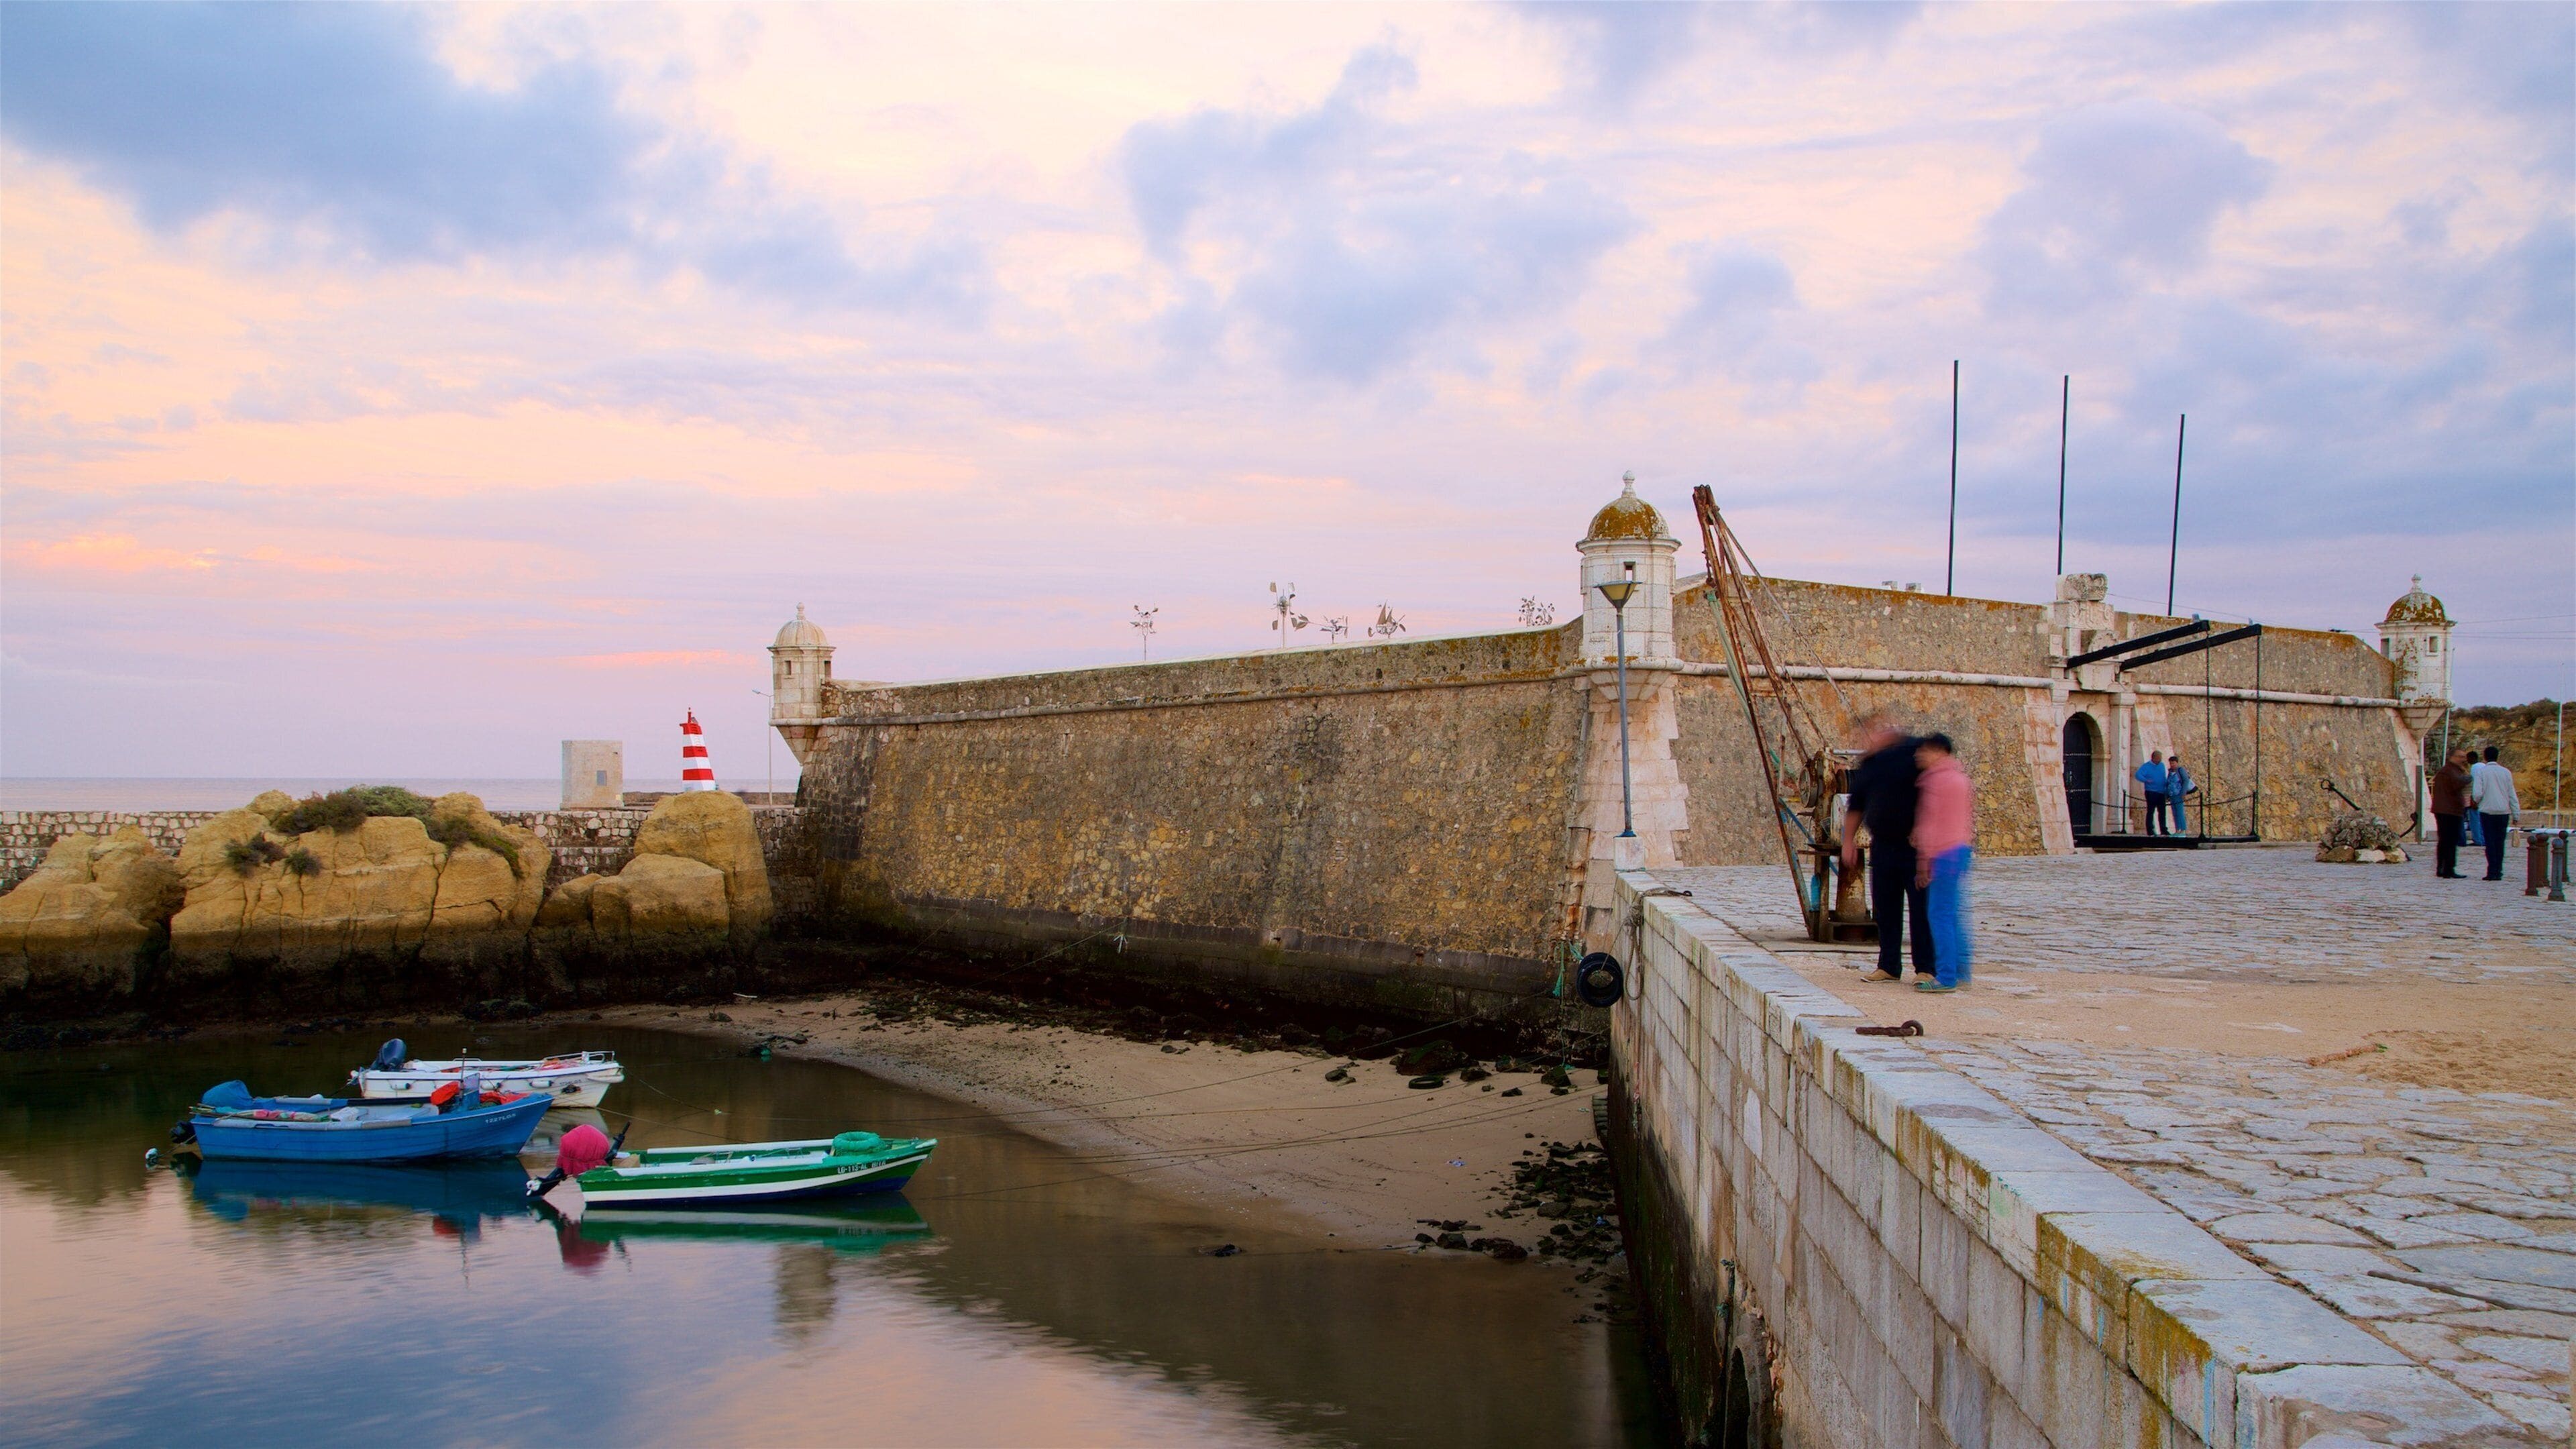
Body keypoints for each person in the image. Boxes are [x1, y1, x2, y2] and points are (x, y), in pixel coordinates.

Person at [1841, 714, 1936, 983]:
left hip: (1914, 847)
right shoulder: (1870, 765)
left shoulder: (1915, 752)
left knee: (1921, 909)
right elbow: (1856, 805)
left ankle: (1925, 968)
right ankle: (1889, 965)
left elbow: (1934, 791)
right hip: (1882, 845)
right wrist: (1848, 842)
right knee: (1885, 909)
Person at [1911, 734, 1974, 994]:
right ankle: (1961, 971)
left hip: (1942, 854)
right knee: (1954, 915)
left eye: (1924, 751)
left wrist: (1923, 864)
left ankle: (1946, 976)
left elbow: (1930, 824)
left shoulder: (1935, 781)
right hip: (1960, 849)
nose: (1919, 755)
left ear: (1938, 751)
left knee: (1939, 916)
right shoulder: (1960, 778)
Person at [2469, 746, 2519, 881]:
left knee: (2490, 842)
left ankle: (2492, 871)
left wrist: (2476, 801)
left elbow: (2477, 793)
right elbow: (2511, 794)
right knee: (2500, 842)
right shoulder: (2506, 772)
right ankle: (2499, 870)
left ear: (2485, 757)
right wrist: (2516, 813)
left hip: (2487, 811)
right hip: (2503, 811)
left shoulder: (2482, 772)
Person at [2431, 747, 2474, 879]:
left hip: (2447, 809)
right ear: (2453, 757)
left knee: (2446, 840)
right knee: (2449, 840)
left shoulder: (2450, 770)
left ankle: (2443, 867)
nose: (2463, 759)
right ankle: (2447, 868)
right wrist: (2469, 777)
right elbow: (2458, 782)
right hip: (2448, 811)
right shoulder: (2449, 771)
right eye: (2461, 757)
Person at [2135, 751, 2170, 835]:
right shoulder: (2146, 766)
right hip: (2151, 792)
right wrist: (2146, 780)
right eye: (2158, 758)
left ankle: (2164, 829)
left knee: (2162, 812)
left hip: (2161, 792)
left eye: (2160, 758)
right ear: (2153, 758)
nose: (2159, 760)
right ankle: (2150, 830)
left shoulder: (2162, 765)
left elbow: (2164, 777)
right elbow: (2138, 775)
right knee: (2151, 811)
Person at [2165, 752, 2198, 836]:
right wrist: (2167, 795)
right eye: (2171, 763)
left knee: (2180, 812)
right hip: (2172, 795)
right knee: (2175, 813)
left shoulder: (2180, 770)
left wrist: (2183, 793)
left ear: (2177, 763)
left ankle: (2183, 830)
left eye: (2173, 763)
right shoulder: (2170, 772)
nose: (2172, 765)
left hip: (2179, 794)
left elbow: (2186, 781)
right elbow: (2168, 783)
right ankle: (2177, 830)